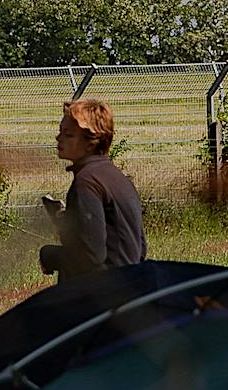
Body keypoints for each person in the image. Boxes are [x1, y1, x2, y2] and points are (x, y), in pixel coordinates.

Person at [39, 98, 147, 281]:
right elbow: (140, 247)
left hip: (102, 295)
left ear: (91, 142)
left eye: (68, 134)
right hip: (129, 289)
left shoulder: (87, 182)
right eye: (60, 132)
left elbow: (91, 256)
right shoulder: (116, 177)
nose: (59, 138)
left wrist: (49, 255)